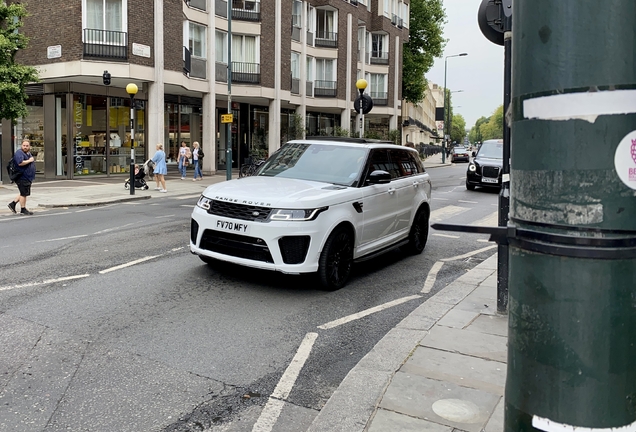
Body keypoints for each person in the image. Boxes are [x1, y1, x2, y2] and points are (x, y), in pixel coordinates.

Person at [8, 139, 36, 215]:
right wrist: (30, 160)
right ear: (21, 146)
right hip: (22, 177)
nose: (25, 147)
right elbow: (20, 163)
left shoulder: (28, 153)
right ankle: (23, 209)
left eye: (27, 146)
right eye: (24, 145)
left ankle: (12, 204)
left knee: (23, 192)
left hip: (27, 177)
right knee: (24, 194)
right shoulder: (19, 153)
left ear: (29, 146)